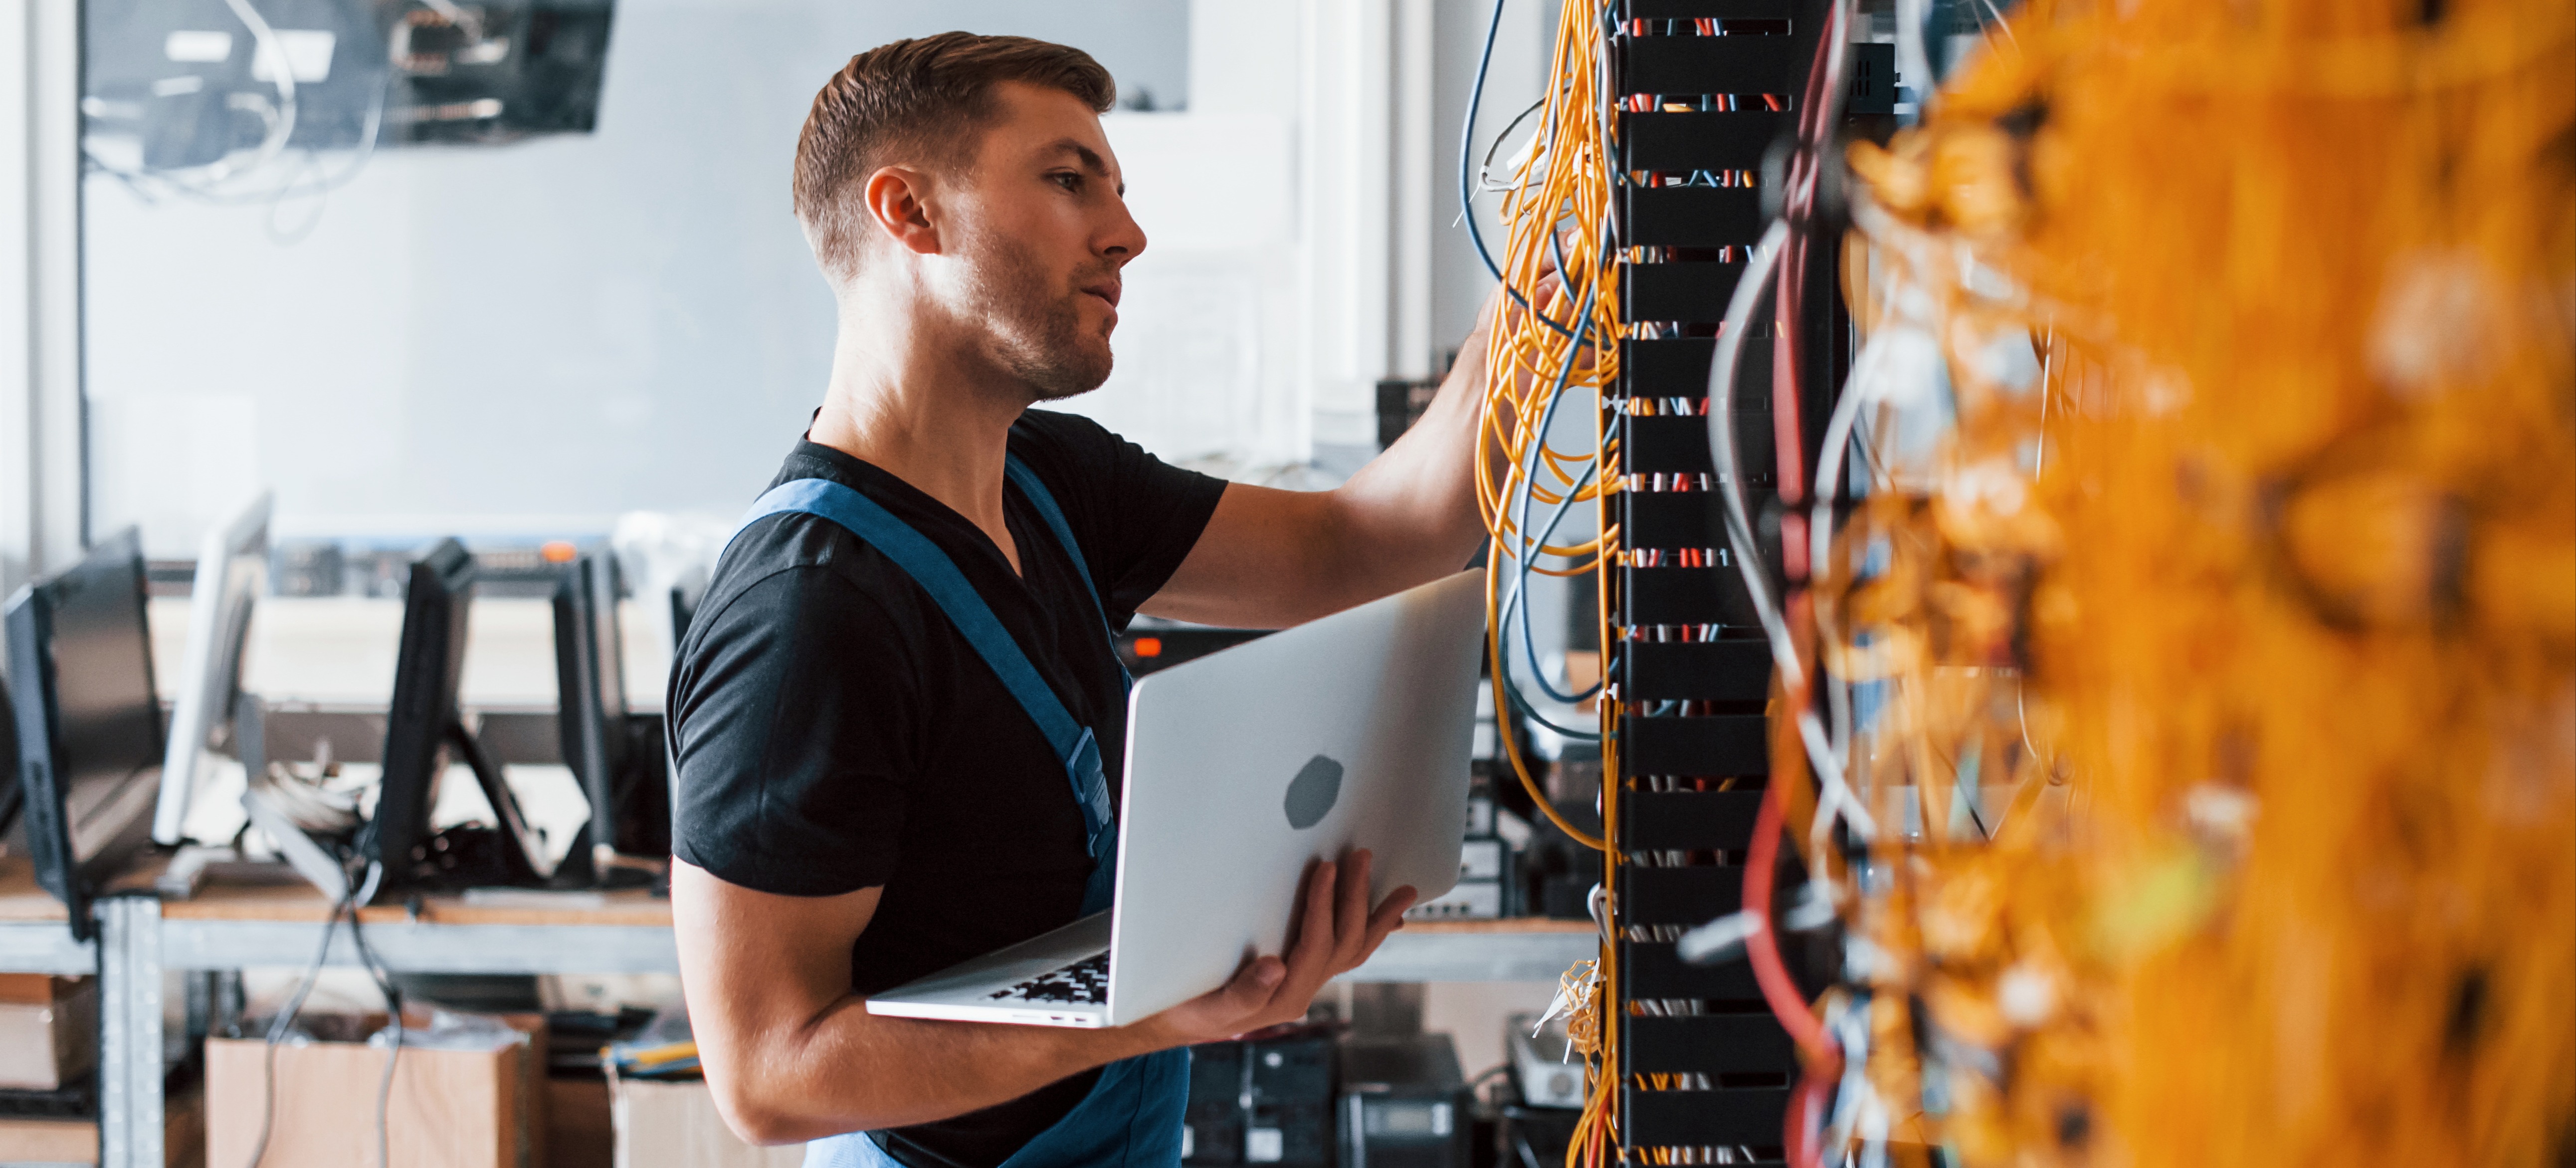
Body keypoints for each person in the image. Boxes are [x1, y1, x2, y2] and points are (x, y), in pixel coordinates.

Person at [668, 32, 1508, 1168]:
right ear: (909, 214)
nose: (1128, 233)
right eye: (1070, 181)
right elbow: (768, 1073)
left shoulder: (1052, 479)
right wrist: (1160, 1012)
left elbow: (1364, 546)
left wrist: (1537, 302)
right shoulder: (807, 615)